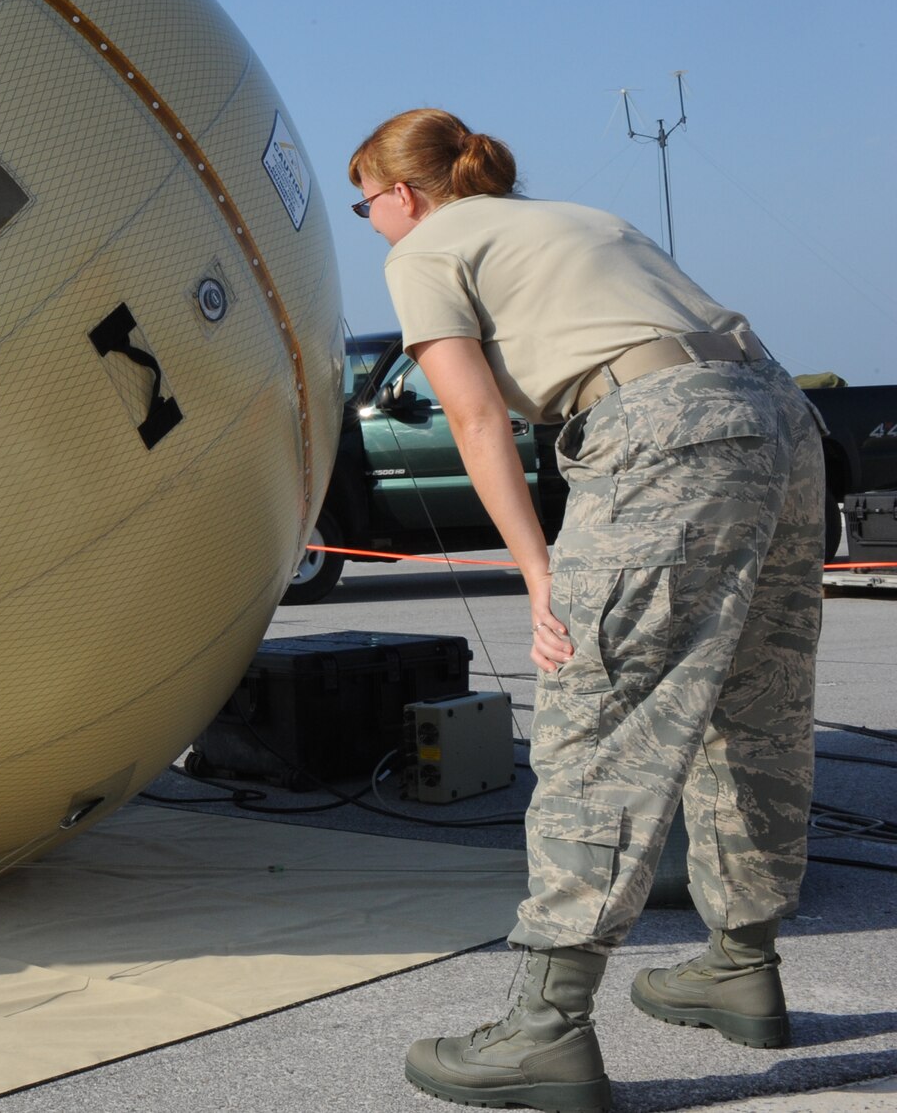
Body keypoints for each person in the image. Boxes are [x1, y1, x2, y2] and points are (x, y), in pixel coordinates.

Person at [349, 110, 821, 1113]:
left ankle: (543, 1027)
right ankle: (740, 961)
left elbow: (472, 416)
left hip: (662, 432)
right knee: (753, 703)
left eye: (365, 202)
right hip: (778, 416)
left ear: (404, 192)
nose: (369, 222)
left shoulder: (428, 244)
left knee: (595, 721)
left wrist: (535, 573)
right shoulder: (570, 216)